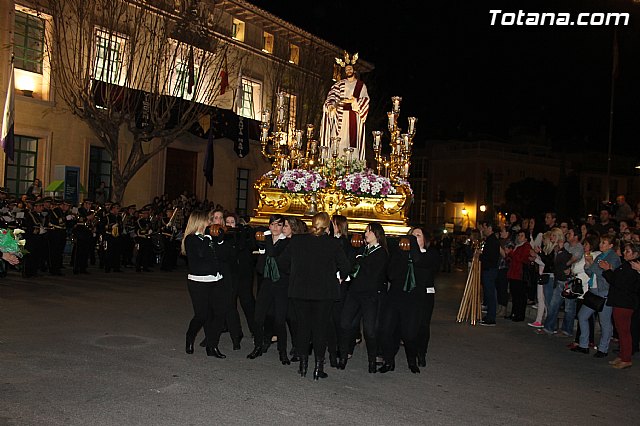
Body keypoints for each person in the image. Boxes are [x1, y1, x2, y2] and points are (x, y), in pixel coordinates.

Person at [281, 212, 350, 379]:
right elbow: (346, 267)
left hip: (300, 291)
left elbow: (282, 263)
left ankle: (303, 366)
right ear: (328, 227)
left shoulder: (297, 240)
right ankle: (318, 368)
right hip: (324, 293)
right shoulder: (333, 244)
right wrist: (339, 277)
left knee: (303, 327)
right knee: (320, 329)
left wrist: (296, 274)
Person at [338, 222, 389, 373]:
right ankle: (343, 356)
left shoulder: (381, 253)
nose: (365, 234)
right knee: (344, 323)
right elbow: (353, 265)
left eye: (369, 231)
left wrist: (360, 259)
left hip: (370, 295)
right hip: (354, 292)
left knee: (369, 330)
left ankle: (372, 360)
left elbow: (372, 271)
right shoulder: (362, 249)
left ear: (377, 234)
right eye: (366, 231)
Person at [182, 210, 229, 358]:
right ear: (199, 222)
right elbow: (201, 254)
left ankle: (212, 346)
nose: (210, 223)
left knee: (219, 314)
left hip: (216, 280)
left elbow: (222, 256)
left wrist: (220, 240)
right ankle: (190, 338)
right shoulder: (191, 239)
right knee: (202, 315)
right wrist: (208, 237)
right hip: (198, 282)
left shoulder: (211, 238)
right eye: (207, 221)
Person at [247, 214, 291, 364]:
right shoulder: (264, 241)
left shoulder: (287, 243)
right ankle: (258, 346)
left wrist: (267, 243)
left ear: (283, 227)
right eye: (272, 224)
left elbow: (275, 258)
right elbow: (260, 265)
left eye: (279, 225)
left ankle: (282, 352)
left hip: (281, 285)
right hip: (266, 283)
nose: (275, 228)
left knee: (279, 320)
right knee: (258, 318)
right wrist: (262, 250)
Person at [572, 234, 621, 358]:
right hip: (593, 290)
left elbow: (609, 275)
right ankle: (583, 344)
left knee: (604, 322)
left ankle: (603, 349)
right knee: (582, 316)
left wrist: (595, 266)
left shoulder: (613, 258)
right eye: (601, 242)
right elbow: (590, 271)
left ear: (610, 245)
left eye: (604, 243)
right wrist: (589, 264)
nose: (601, 245)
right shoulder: (600, 256)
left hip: (604, 291)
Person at [319, 52, 369, 163]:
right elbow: (331, 97)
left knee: (352, 143)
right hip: (339, 117)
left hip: (354, 117)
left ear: (354, 70)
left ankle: (354, 164)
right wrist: (331, 106)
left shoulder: (361, 86)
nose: (348, 71)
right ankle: (336, 163)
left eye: (350, 69)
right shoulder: (339, 84)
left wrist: (354, 101)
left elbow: (365, 100)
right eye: (346, 70)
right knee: (339, 141)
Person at [599, 242, 640, 369]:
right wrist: (610, 270)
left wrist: (607, 271)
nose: (624, 253)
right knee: (620, 330)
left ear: (635, 254)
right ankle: (623, 355)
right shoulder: (626, 265)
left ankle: (626, 358)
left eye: (628, 251)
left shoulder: (633, 267)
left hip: (625, 303)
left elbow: (619, 282)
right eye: (625, 251)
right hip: (620, 301)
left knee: (624, 331)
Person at [479, 222, 500, 326]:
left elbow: (490, 257)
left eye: (484, 227)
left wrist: (481, 257)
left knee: (490, 294)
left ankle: (491, 318)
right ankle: (489, 316)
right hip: (489, 269)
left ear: (490, 228)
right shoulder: (490, 240)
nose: (483, 230)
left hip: (490, 270)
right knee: (489, 293)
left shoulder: (492, 241)